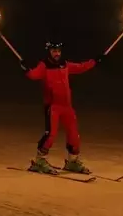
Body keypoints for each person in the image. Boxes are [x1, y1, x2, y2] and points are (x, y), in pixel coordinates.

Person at [23, 42, 100, 174]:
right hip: (53, 107)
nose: (57, 53)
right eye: (54, 51)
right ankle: (40, 161)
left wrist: (95, 61)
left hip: (67, 107)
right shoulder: (44, 66)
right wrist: (26, 69)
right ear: (49, 52)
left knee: (74, 135)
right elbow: (34, 75)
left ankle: (72, 161)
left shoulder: (65, 64)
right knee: (51, 134)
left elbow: (81, 67)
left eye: (58, 51)